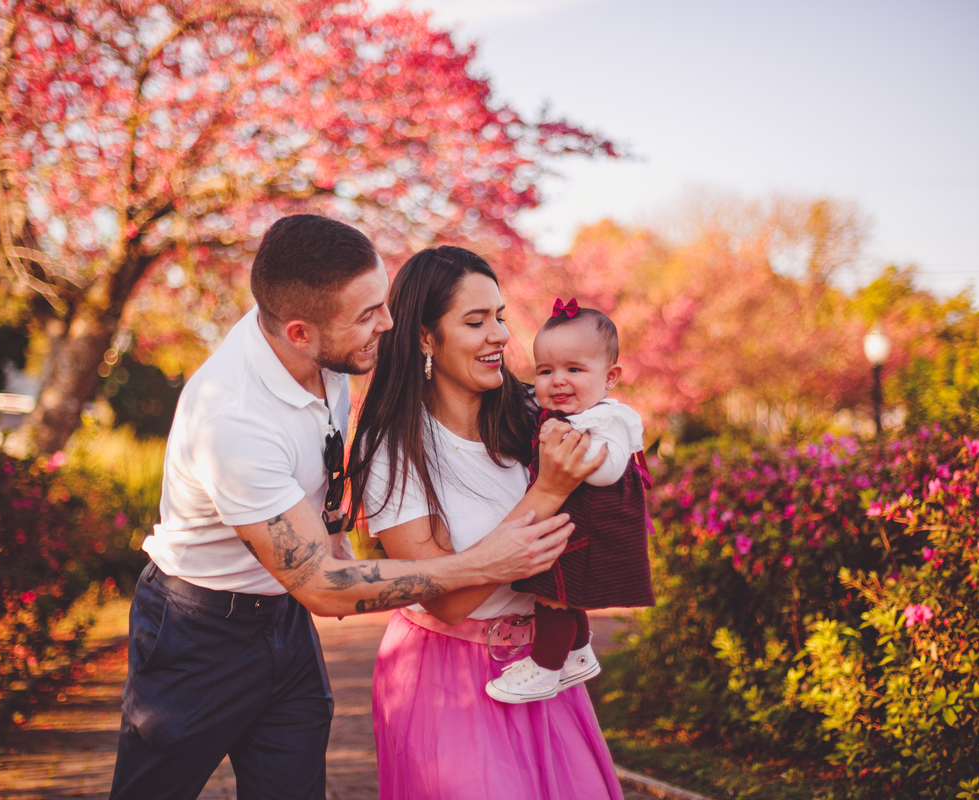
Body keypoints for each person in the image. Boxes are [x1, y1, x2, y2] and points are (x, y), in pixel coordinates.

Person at [108, 216, 577, 800]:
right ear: (300, 333)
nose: (389, 323)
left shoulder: (321, 350)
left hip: (284, 621)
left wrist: (334, 531)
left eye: (381, 303)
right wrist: (483, 563)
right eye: (368, 315)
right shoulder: (232, 420)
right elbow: (325, 589)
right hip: (196, 632)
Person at [348, 247, 626, 800]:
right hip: (445, 674)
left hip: (542, 665)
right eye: (475, 322)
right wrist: (548, 492)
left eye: (499, 316)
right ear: (425, 338)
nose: (499, 334)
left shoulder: (531, 413)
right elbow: (447, 601)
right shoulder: (395, 447)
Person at [487, 299, 655, 704]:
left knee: (554, 596)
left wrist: (566, 446)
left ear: (610, 377)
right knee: (563, 591)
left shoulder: (607, 419)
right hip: (573, 521)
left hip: (595, 527)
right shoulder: (563, 416)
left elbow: (608, 470)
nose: (557, 381)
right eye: (545, 371)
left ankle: (544, 669)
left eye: (574, 370)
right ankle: (578, 655)